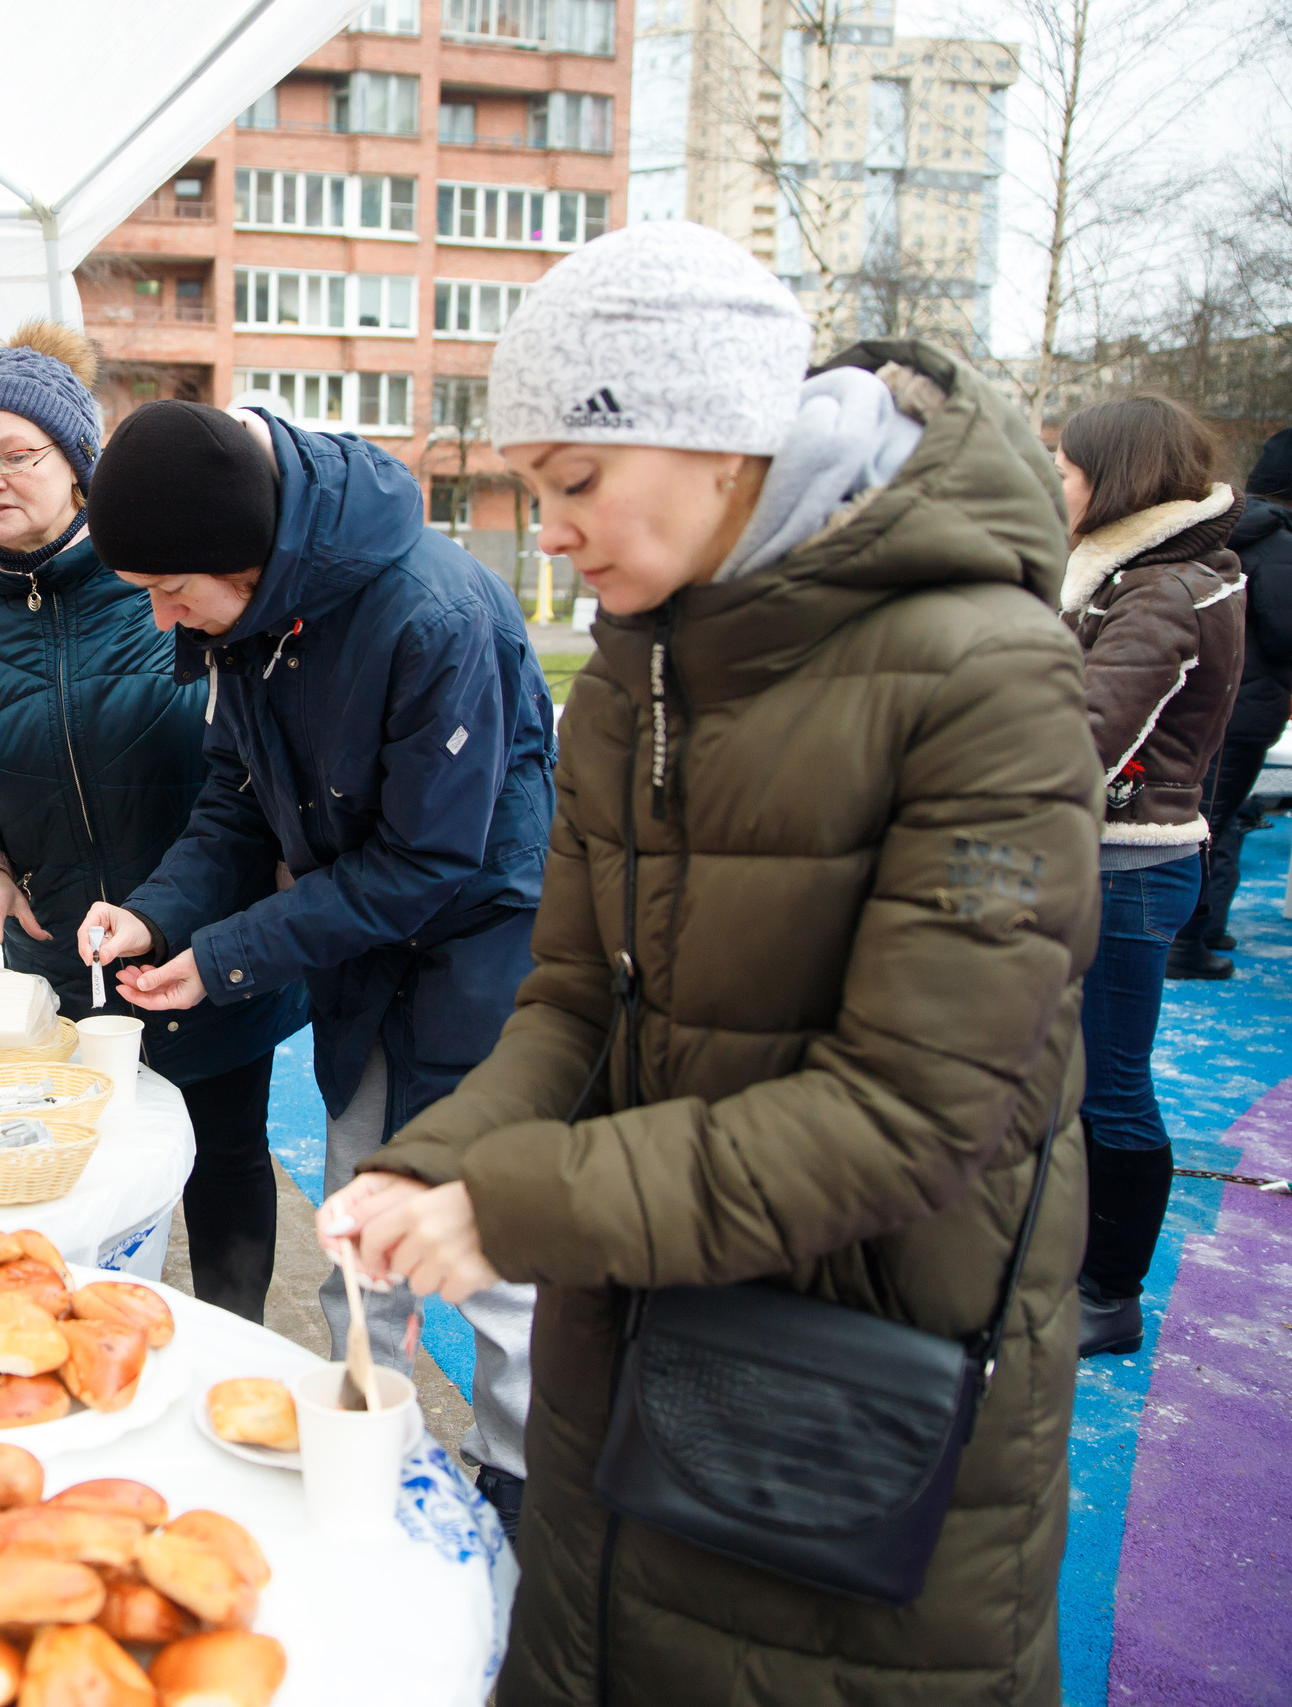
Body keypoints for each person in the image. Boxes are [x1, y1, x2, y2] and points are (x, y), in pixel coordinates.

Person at [310, 221, 1095, 1705]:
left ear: (716, 433)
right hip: (639, 1319)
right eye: (532, 489)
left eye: (577, 480)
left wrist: (522, 1205)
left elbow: (913, 1115)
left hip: (856, 1378)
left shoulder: (984, 673)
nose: (549, 529)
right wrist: (442, 1159)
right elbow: (573, 1002)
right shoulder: (633, 668)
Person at [79, 397, 556, 1532]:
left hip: (479, 944)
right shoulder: (246, 619)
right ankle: (367, 1427)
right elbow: (236, 797)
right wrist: (160, 918)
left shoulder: (432, 613)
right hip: (360, 943)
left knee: (487, 1241)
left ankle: (524, 1474)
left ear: (240, 553)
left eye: (168, 588)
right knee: (355, 1205)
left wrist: (230, 956)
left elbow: (428, 861)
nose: (159, 617)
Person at [0, 324, 304, 1322]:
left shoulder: (160, 583)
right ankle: (89, 1335)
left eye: (15, 455)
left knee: (224, 1151)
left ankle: (227, 1334)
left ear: (76, 468)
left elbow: (250, 755)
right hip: (59, 956)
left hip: (205, 932)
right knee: (81, 1170)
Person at [1053, 395, 1246, 1357]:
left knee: (1112, 1084)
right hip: (1109, 856)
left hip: (1125, 866)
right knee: (1079, 1076)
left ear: (1115, 477)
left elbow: (1085, 734)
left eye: (1069, 468)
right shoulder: (1142, 572)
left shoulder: (1162, 589)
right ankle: (1077, 1262)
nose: (1059, 485)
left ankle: (1109, 1288)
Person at [1169, 426, 1292, 978]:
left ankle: (1201, 928)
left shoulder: (1220, 532)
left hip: (1206, 698)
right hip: (1245, 704)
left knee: (1204, 815)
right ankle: (1186, 942)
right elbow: (1286, 632)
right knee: (1213, 820)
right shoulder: (1280, 544)